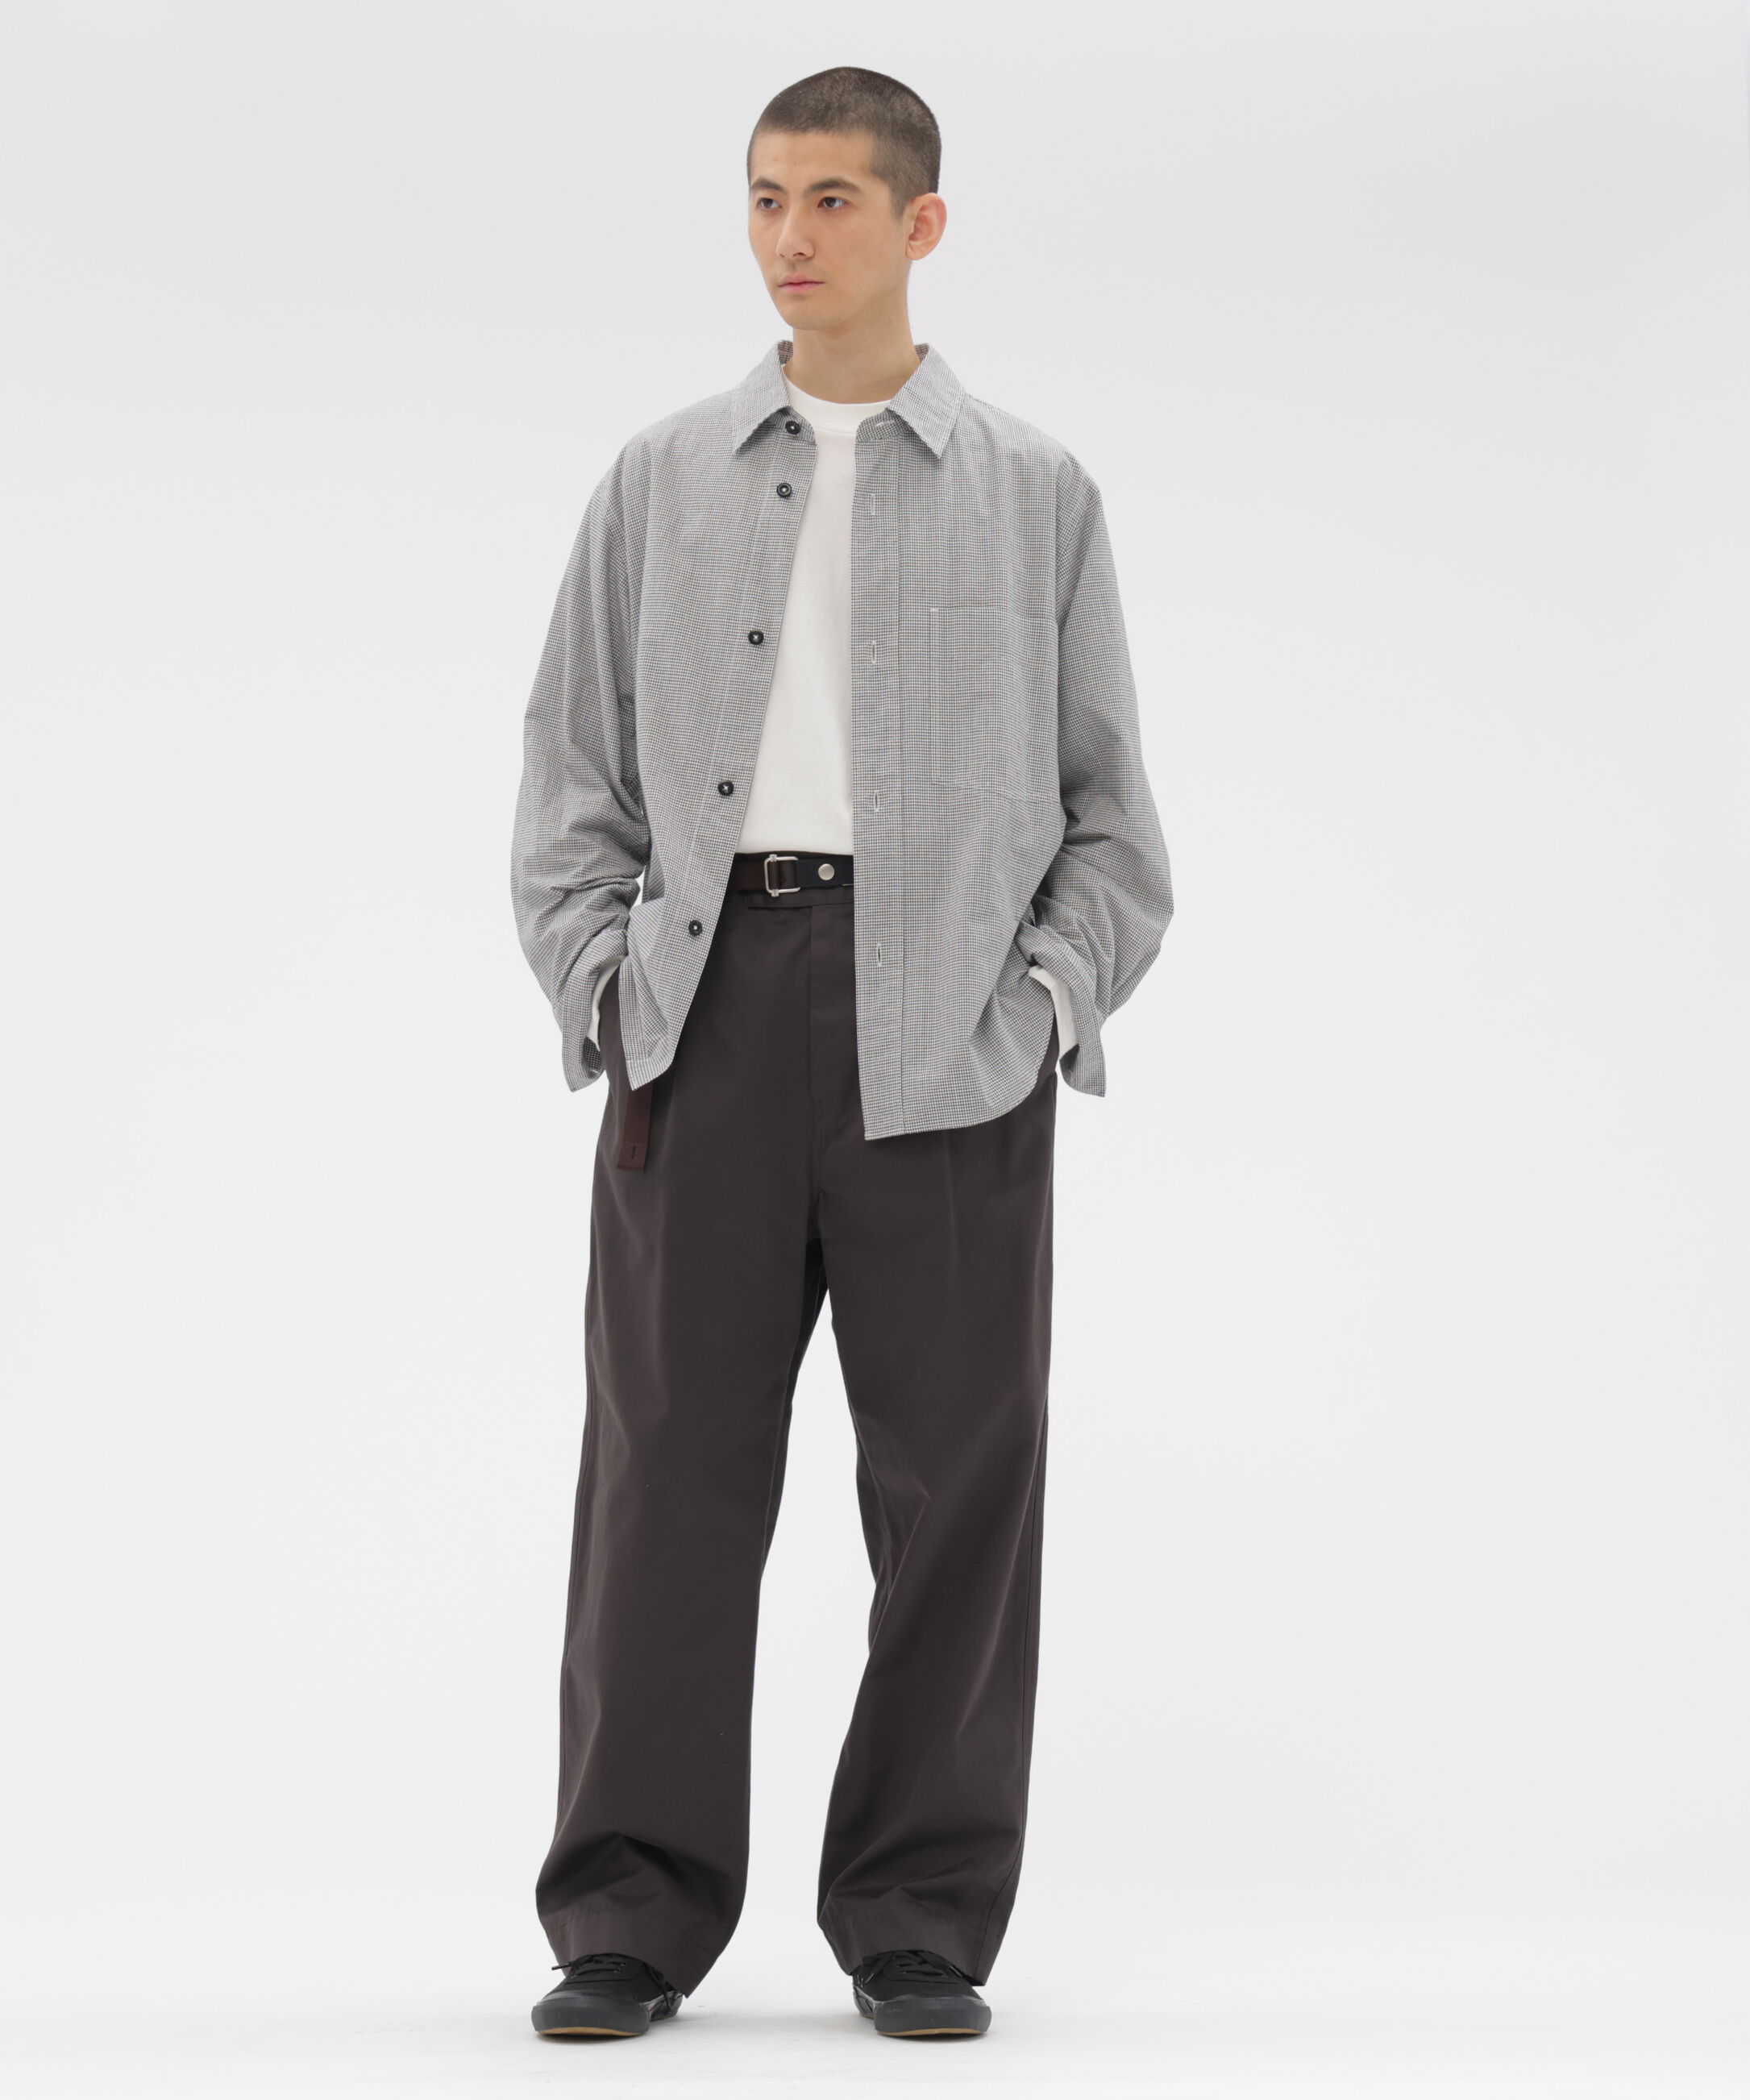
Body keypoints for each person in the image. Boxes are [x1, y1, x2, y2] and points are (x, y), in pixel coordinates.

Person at [509, 64, 1172, 2043]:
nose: (788, 238)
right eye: (764, 198)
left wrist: (1034, 1009)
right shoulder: (660, 478)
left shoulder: (1036, 494)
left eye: (831, 201)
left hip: (946, 1039)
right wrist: (608, 985)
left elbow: (1116, 830)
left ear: (920, 225)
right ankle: (630, 1913)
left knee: (959, 1486)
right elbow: (570, 780)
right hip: (703, 1020)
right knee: (665, 1477)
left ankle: (918, 1915)